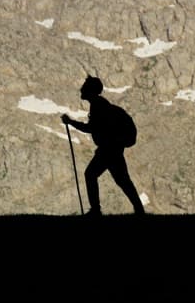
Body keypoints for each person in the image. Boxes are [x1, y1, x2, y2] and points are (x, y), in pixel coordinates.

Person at [61, 76, 145, 216]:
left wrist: (71, 122)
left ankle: (96, 210)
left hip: (108, 150)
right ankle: (139, 209)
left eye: (85, 87)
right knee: (122, 180)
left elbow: (91, 128)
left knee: (91, 174)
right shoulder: (100, 104)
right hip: (113, 149)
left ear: (90, 90)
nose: (81, 89)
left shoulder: (98, 106)